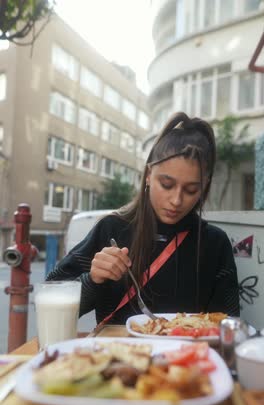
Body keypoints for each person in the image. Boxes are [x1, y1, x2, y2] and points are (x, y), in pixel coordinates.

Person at [46, 112, 240, 325]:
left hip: (186, 356)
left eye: (191, 189)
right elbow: (50, 297)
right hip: (119, 355)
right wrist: (92, 279)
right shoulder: (113, 229)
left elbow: (227, 323)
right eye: (166, 184)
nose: (176, 200)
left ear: (204, 186)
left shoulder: (215, 244)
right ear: (148, 175)